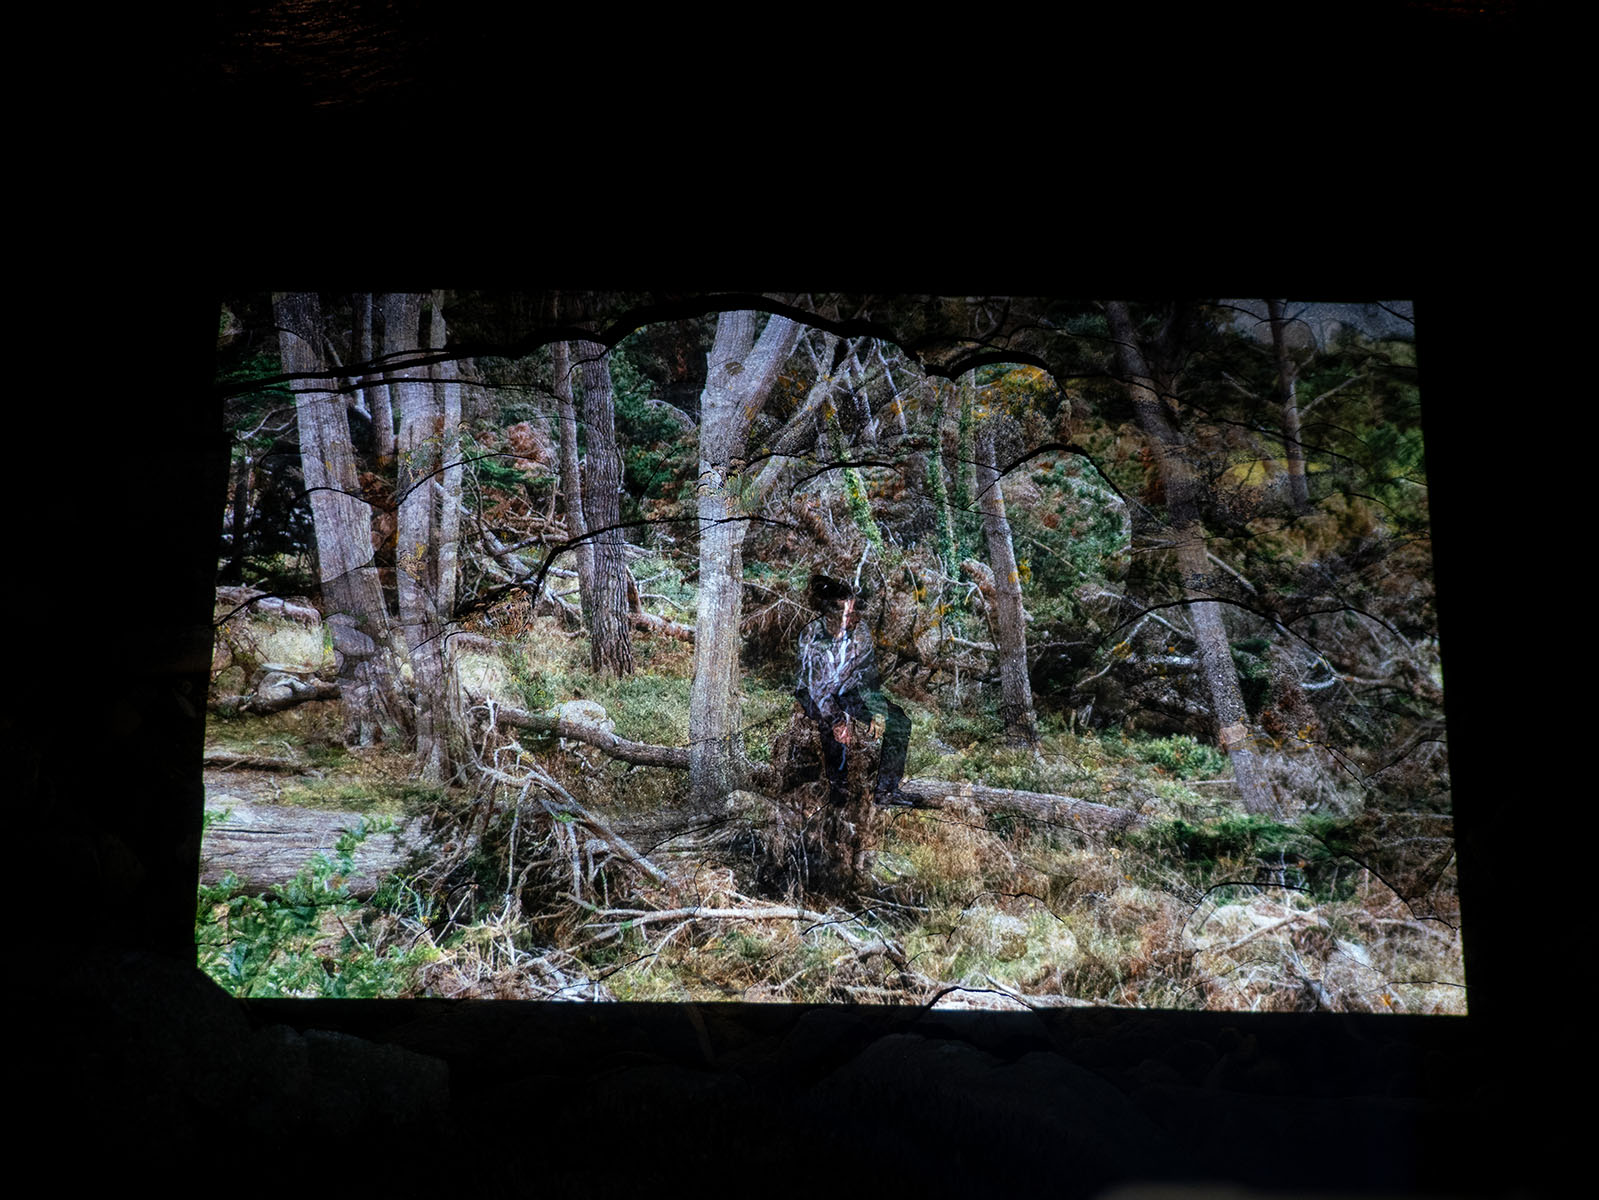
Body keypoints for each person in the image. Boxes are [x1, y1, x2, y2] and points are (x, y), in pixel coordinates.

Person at [794, 574, 913, 806]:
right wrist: (837, 721)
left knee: (899, 721)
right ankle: (839, 793)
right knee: (831, 729)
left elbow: (868, 677)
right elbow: (818, 689)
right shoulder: (812, 636)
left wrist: (878, 711)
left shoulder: (860, 632)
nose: (855, 618)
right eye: (848, 614)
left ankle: (887, 791)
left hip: (846, 689)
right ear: (831, 616)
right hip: (814, 694)